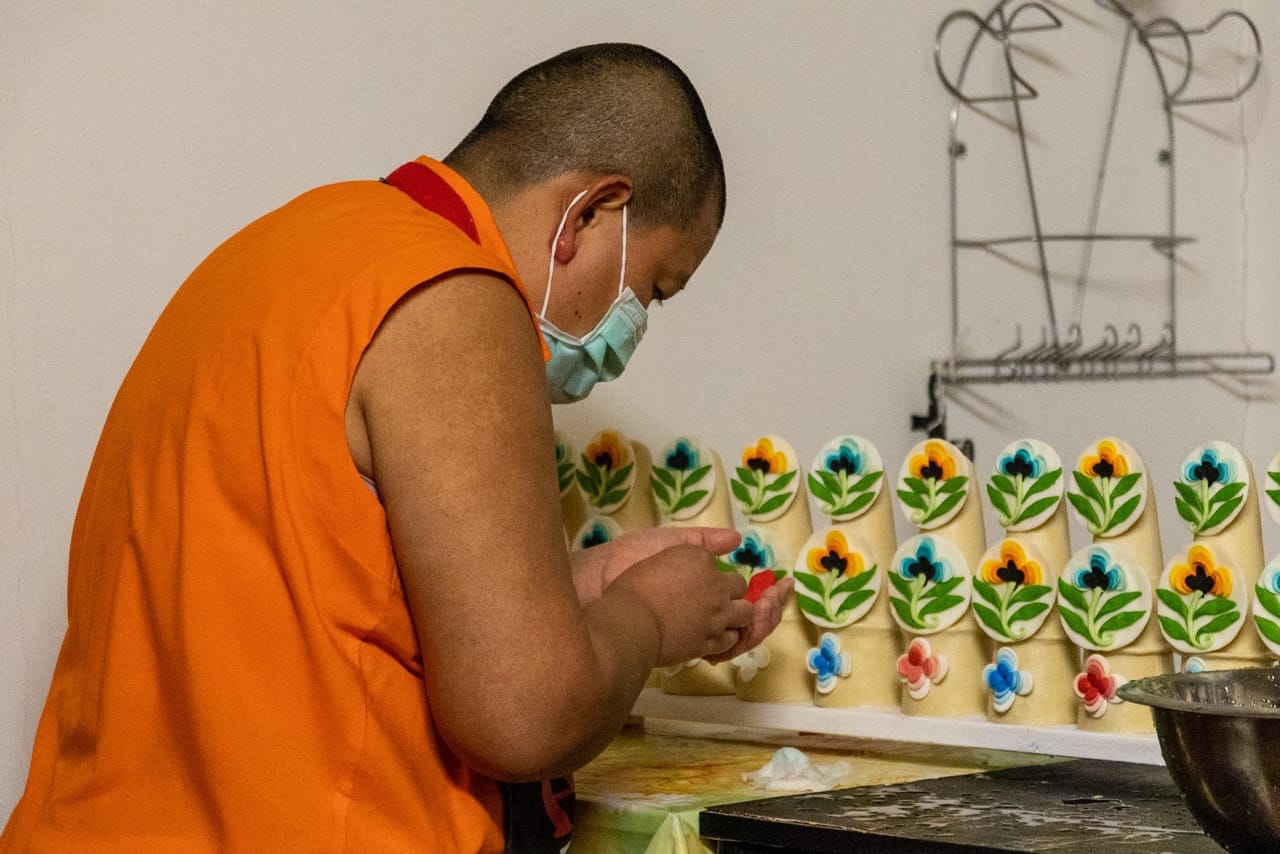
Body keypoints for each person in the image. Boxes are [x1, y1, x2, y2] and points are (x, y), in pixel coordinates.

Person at [1, 43, 792, 853]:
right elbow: (524, 717)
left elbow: (299, 587)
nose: (634, 327)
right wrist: (650, 616)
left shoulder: (286, 249)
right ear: (590, 213)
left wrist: (580, 588)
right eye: (652, 290)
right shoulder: (454, 297)